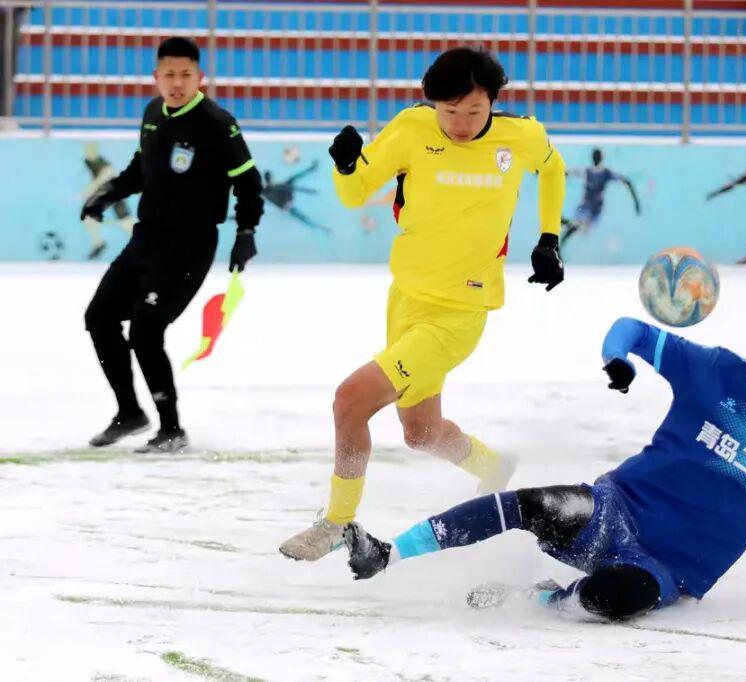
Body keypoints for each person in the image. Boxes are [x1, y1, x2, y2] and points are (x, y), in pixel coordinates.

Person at [344, 296, 746, 621]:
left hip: (668, 570)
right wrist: (617, 358)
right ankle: (388, 553)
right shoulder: (715, 370)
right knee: (530, 504)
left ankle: (541, 598)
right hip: (614, 508)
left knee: (612, 598)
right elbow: (632, 329)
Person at [279, 46, 567, 561]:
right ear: (433, 102)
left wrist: (549, 238)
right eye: (450, 110)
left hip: (460, 313)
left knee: (350, 401)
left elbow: (553, 168)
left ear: (492, 102)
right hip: (407, 299)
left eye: (474, 110)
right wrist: (346, 165)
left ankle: (337, 523)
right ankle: (492, 466)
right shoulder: (411, 129)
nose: (462, 123)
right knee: (421, 432)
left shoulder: (520, 136)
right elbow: (356, 192)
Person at [81, 37, 263, 453]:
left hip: (190, 246)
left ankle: (171, 430)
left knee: (146, 330)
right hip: (147, 237)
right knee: (99, 317)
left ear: (200, 78)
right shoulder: (152, 114)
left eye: (185, 75)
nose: (177, 83)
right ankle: (130, 412)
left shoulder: (216, 123)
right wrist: (106, 195)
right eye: (169, 75)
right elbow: (141, 168)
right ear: (156, 77)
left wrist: (246, 233)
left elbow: (248, 181)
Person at [560, 148, 641, 247]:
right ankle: (565, 230)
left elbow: (626, 181)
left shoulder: (603, 173)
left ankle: (566, 227)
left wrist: (636, 201)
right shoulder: (591, 171)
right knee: (578, 226)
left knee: (579, 226)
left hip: (594, 209)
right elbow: (567, 173)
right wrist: (636, 202)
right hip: (587, 207)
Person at [82, 142, 136, 260]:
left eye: (91, 148)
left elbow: (107, 174)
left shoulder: (100, 161)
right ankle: (98, 243)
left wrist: (90, 189)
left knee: (126, 221)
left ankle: (140, 243)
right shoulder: (89, 161)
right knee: (89, 217)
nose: (88, 151)